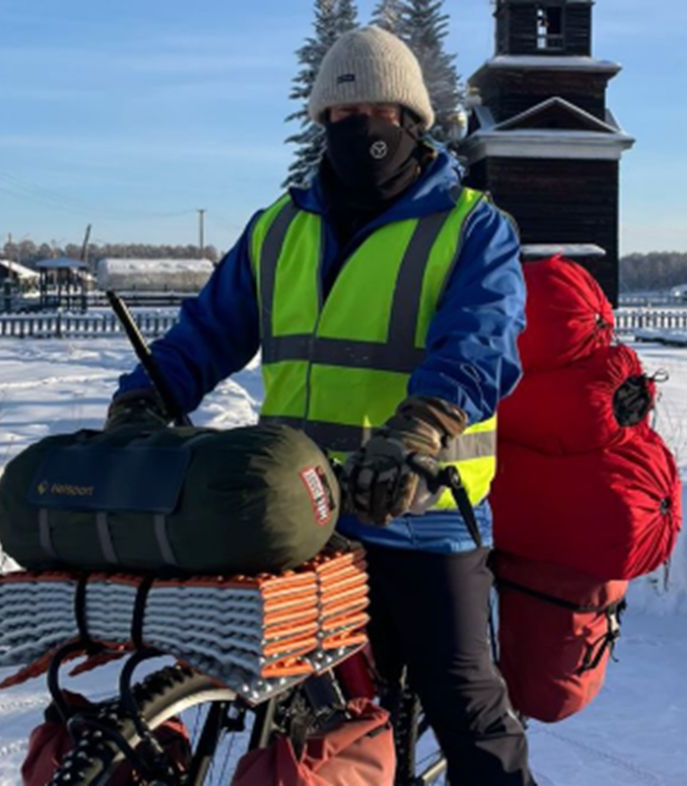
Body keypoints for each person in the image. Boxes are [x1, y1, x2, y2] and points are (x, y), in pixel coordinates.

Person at [106, 25, 534, 786]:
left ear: (408, 120)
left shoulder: (473, 228)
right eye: (335, 116)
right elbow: (209, 331)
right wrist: (148, 395)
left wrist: (420, 431)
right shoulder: (279, 229)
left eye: (371, 110)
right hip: (301, 514)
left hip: (425, 516)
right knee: (302, 723)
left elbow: (479, 345)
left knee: (467, 709)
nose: (353, 128)